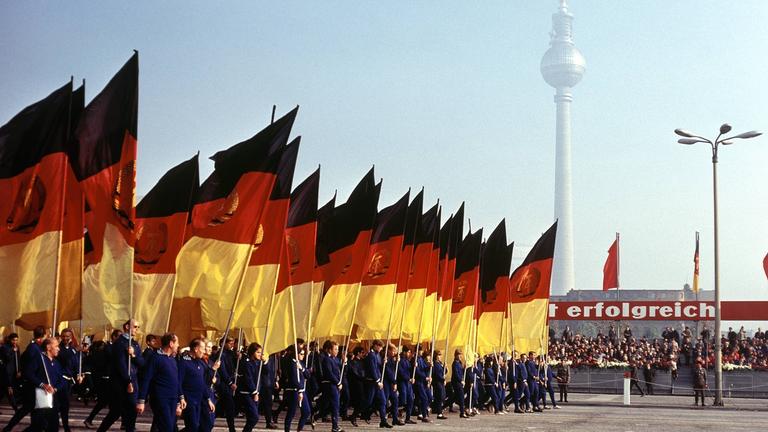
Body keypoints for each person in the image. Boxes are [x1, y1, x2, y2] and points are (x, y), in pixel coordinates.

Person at [97, 320, 145, 432]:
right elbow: (120, 364)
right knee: (116, 412)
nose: (136, 329)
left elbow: (142, 363)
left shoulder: (135, 343)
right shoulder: (120, 343)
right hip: (121, 383)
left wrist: (133, 355)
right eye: (135, 327)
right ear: (127, 326)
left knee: (131, 412)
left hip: (133, 381)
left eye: (138, 327)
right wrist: (128, 381)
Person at [137, 333, 184, 432]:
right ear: (171, 344)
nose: (178, 345)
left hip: (172, 399)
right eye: (177, 343)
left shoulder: (172, 359)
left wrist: (180, 397)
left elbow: (176, 381)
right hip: (161, 399)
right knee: (166, 427)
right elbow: (146, 379)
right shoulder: (155, 358)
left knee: (169, 427)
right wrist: (141, 400)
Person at [4, 325, 47, 432]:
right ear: (44, 335)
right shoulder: (33, 348)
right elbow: (28, 364)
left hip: (34, 384)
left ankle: (13, 428)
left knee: (30, 410)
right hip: (32, 385)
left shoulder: (36, 347)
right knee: (27, 409)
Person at [178, 338, 217, 432]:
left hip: (198, 400)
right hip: (189, 401)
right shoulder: (184, 362)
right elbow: (179, 382)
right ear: (196, 349)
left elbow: (202, 383)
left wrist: (208, 399)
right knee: (193, 427)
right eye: (202, 349)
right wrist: (181, 397)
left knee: (199, 426)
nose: (204, 351)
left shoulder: (199, 362)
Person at [84, 330, 121, 428]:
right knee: (105, 402)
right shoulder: (107, 348)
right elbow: (99, 362)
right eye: (119, 336)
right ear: (113, 337)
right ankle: (90, 419)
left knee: (106, 402)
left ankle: (90, 419)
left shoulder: (115, 347)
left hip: (112, 379)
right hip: (105, 378)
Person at [28, 337, 66, 432]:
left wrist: (55, 389)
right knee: (37, 427)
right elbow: (29, 373)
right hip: (40, 399)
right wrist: (42, 384)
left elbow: (61, 380)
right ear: (49, 347)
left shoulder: (56, 363)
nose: (59, 348)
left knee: (54, 426)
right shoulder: (39, 358)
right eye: (56, 346)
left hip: (53, 400)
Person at [282, 345, 311, 432]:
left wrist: (301, 368)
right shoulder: (290, 363)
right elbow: (294, 379)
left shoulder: (300, 363)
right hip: (294, 391)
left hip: (302, 390)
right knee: (291, 413)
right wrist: (299, 390)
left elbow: (308, 375)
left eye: (303, 354)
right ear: (296, 354)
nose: (303, 355)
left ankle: (299, 429)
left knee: (306, 411)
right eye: (301, 354)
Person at [362, 339, 391, 429]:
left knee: (382, 400)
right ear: (375, 345)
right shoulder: (371, 355)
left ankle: (383, 421)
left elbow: (378, 368)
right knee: (368, 401)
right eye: (380, 347)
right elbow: (372, 369)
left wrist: (384, 362)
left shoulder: (377, 355)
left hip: (378, 382)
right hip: (372, 382)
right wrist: (378, 381)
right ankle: (357, 415)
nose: (381, 349)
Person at [213, 337, 238, 432]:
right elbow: (222, 370)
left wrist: (238, 357)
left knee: (221, 407)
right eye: (230, 343)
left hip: (229, 383)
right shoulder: (221, 354)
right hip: (224, 384)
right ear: (223, 343)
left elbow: (235, 364)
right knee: (229, 406)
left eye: (233, 343)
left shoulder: (230, 353)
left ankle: (206, 419)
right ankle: (232, 429)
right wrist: (230, 382)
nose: (232, 344)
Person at [238, 343, 263, 432]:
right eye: (258, 352)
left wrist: (265, 362)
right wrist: (254, 391)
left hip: (255, 392)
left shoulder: (258, 363)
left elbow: (265, 373)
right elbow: (248, 379)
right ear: (253, 352)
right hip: (247, 393)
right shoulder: (247, 362)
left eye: (261, 352)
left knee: (250, 417)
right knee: (254, 417)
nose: (260, 354)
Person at [381, 344, 401, 427]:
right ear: (388, 350)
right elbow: (388, 372)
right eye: (393, 350)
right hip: (386, 382)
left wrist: (397, 362)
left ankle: (395, 419)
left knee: (395, 400)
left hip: (391, 383)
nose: (394, 352)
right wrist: (394, 382)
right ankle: (383, 420)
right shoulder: (385, 359)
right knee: (384, 402)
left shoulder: (392, 359)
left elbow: (395, 371)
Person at [397, 346, 415, 424]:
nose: (409, 354)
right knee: (403, 399)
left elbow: (409, 370)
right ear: (404, 352)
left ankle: (408, 418)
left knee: (410, 399)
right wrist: (408, 378)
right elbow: (400, 372)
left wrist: (414, 366)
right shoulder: (399, 360)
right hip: (402, 382)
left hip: (408, 383)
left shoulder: (407, 361)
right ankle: (395, 413)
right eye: (408, 352)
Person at [413, 346, 432, 422]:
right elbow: (417, 372)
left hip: (423, 382)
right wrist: (425, 377)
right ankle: (424, 415)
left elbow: (424, 368)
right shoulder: (415, 359)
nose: (421, 352)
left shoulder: (421, 359)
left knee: (429, 397)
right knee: (424, 398)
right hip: (419, 382)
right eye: (420, 350)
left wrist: (429, 366)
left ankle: (421, 412)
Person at [450, 349, 467, 418]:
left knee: (455, 397)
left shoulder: (459, 363)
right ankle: (462, 412)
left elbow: (461, 372)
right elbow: (456, 374)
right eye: (458, 354)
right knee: (461, 397)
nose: (460, 356)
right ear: (455, 355)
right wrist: (461, 380)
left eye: (460, 354)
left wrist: (464, 368)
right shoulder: (455, 363)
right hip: (456, 382)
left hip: (459, 382)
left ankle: (442, 407)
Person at [430, 350, 446, 420]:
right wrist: (442, 379)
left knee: (442, 396)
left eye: (440, 355)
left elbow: (443, 372)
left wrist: (445, 368)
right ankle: (439, 413)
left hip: (441, 382)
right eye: (438, 355)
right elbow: (436, 374)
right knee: (439, 397)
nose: (440, 357)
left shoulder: (440, 363)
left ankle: (436, 409)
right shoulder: (434, 364)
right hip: (437, 382)